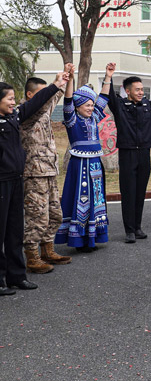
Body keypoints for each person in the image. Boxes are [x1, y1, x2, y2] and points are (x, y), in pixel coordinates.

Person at [0, 70, 69, 295]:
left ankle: (17, 275)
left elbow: (46, 100)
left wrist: (60, 83)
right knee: (30, 221)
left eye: (13, 98)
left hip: (26, 175)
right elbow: (39, 102)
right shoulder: (24, 116)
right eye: (9, 98)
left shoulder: (14, 116)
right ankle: (23, 264)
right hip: (21, 175)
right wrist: (55, 85)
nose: (13, 101)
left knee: (17, 229)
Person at [102, 63, 151, 243]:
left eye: (142, 89)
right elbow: (108, 96)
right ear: (128, 91)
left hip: (144, 154)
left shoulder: (148, 106)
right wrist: (108, 77)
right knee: (128, 193)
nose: (141, 92)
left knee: (140, 192)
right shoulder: (120, 106)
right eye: (138, 89)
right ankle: (129, 230)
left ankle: (137, 227)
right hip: (127, 155)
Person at [19, 67, 72, 274]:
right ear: (31, 95)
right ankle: (32, 257)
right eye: (41, 94)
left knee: (55, 215)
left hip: (49, 171)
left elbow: (55, 95)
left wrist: (64, 79)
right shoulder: (26, 112)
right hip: (34, 173)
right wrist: (55, 85)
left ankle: (47, 249)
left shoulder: (44, 109)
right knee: (37, 217)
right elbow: (48, 97)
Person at [55, 68, 113, 251]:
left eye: (91, 105)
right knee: (81, 199)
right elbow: (67, 101)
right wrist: (71, 79)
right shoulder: (72, 120)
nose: (90, 108)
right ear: (77, 106)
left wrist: (108, 77)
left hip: (95, 164)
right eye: (87, 105)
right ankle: (79, 238)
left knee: (96, 199)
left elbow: (103, 99)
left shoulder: (94, 117)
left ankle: (93, 236)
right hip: (79, 165)